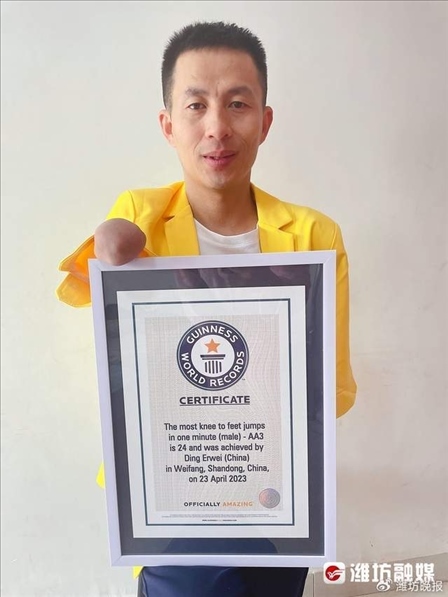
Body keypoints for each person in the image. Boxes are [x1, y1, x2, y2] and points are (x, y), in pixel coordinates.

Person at [57, 20, 357, 597]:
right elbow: (96, 299)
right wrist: (107, 248)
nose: (217, 126)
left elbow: (334, 390)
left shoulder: (314, 237)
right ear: (169, 125)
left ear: (265, 121)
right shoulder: (142, 217)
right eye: (196, 105)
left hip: (275, 494)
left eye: (238, 103)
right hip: (170, 495)